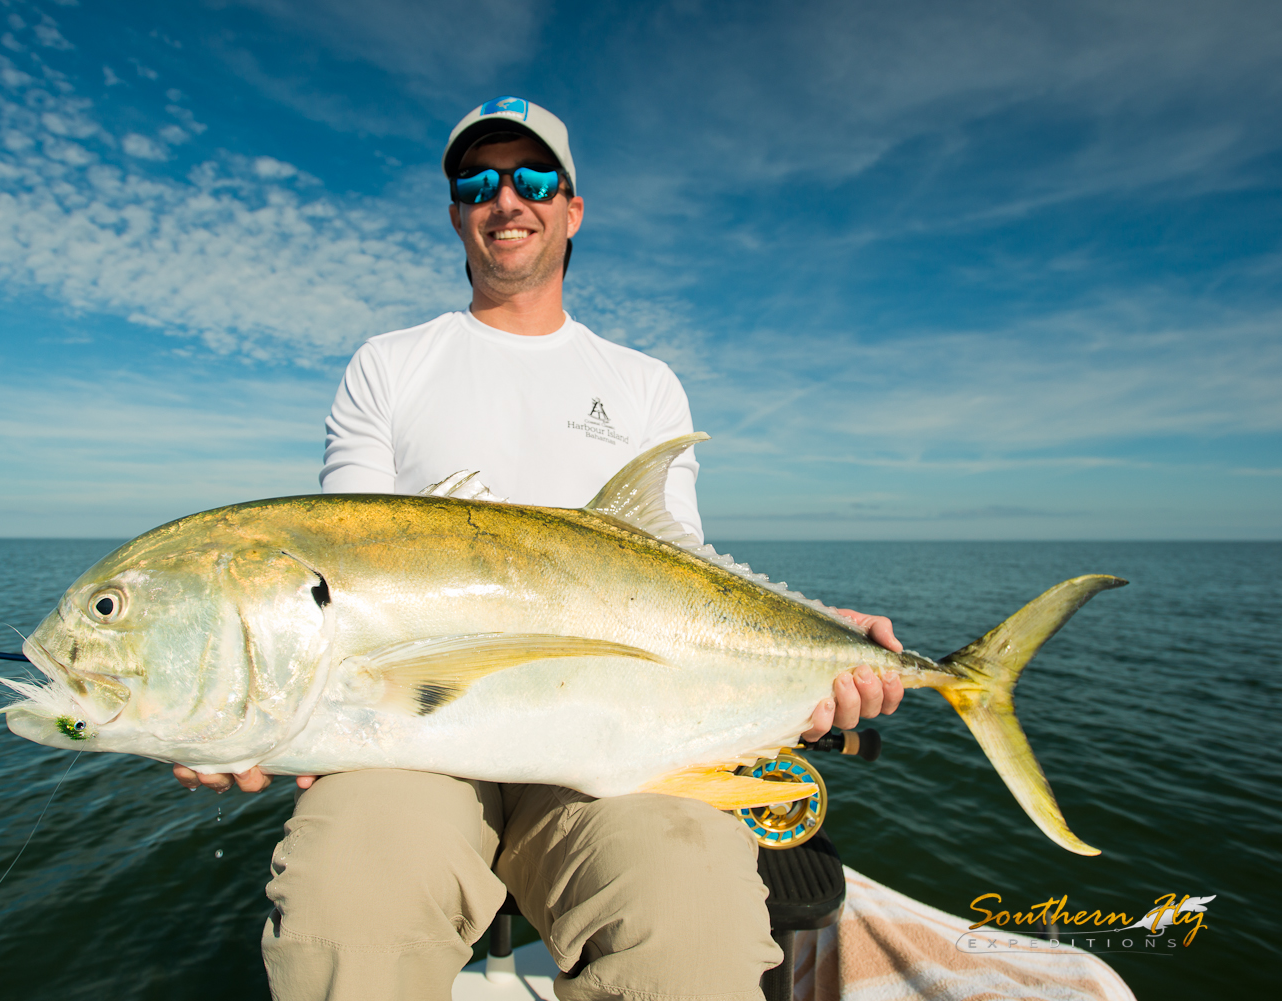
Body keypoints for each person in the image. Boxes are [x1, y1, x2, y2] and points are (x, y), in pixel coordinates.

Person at [174, 97, 905, 1000]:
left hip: (626, 744)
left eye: (533, 179)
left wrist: (813, 641)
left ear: (572, 208)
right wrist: (233, 705)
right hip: (413, 744)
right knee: (343, 918)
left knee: (690, 940)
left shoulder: (641, 383)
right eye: (477, 181)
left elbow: (687, 579)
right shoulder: (389, 364)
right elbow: (338, 581)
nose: (505, 198)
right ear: (456, 213)